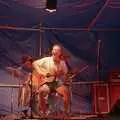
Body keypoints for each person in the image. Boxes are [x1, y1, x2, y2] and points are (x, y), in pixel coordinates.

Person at [32, 44, 70, 115]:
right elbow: (34, 63)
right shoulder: (46, 60)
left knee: (66, 92)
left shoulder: (62, 63)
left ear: (60, 53)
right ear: (52, 51)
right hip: (47, 83)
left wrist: (62, 74)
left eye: (57, 50)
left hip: (56, 83)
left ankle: (66, 113)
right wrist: (41, 72)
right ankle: (44, 113)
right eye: (54, 50)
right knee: (41, 92)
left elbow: (65, 74)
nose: (55, 51)